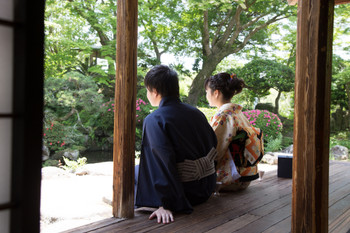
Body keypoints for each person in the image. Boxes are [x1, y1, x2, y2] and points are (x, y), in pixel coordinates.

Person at [135, 65, 218, 224]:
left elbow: (161, 162)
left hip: (183, 194)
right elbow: (213, 144)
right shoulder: (196, 113)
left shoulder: (155, 119)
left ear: (155, 91)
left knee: (132, 174)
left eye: (147, 90)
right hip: (206, 188)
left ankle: (138, 207)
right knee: (138, 170)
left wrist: (164, 202)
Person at [205, 72, 264, 192]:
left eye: (207, 92)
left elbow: (214, 150)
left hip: (229, 179)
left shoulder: (224, 116)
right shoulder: (238, 113)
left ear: (216, 93)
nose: (206, 95)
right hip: (244, 178)